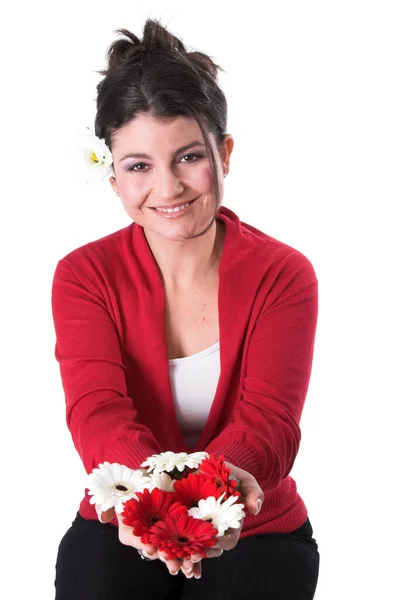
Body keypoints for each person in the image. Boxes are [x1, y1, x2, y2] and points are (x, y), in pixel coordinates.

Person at [51, 17, 320, 600]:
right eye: (139, 165)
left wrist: (205, 507)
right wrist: (158, 509)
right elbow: (97, 414)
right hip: (124, 519)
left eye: (189, 157)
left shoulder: (283, 273)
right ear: (113, 175)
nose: (168, 189)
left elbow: (270, 424)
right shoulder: (83, 275)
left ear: (224, 153)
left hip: (257, 523)